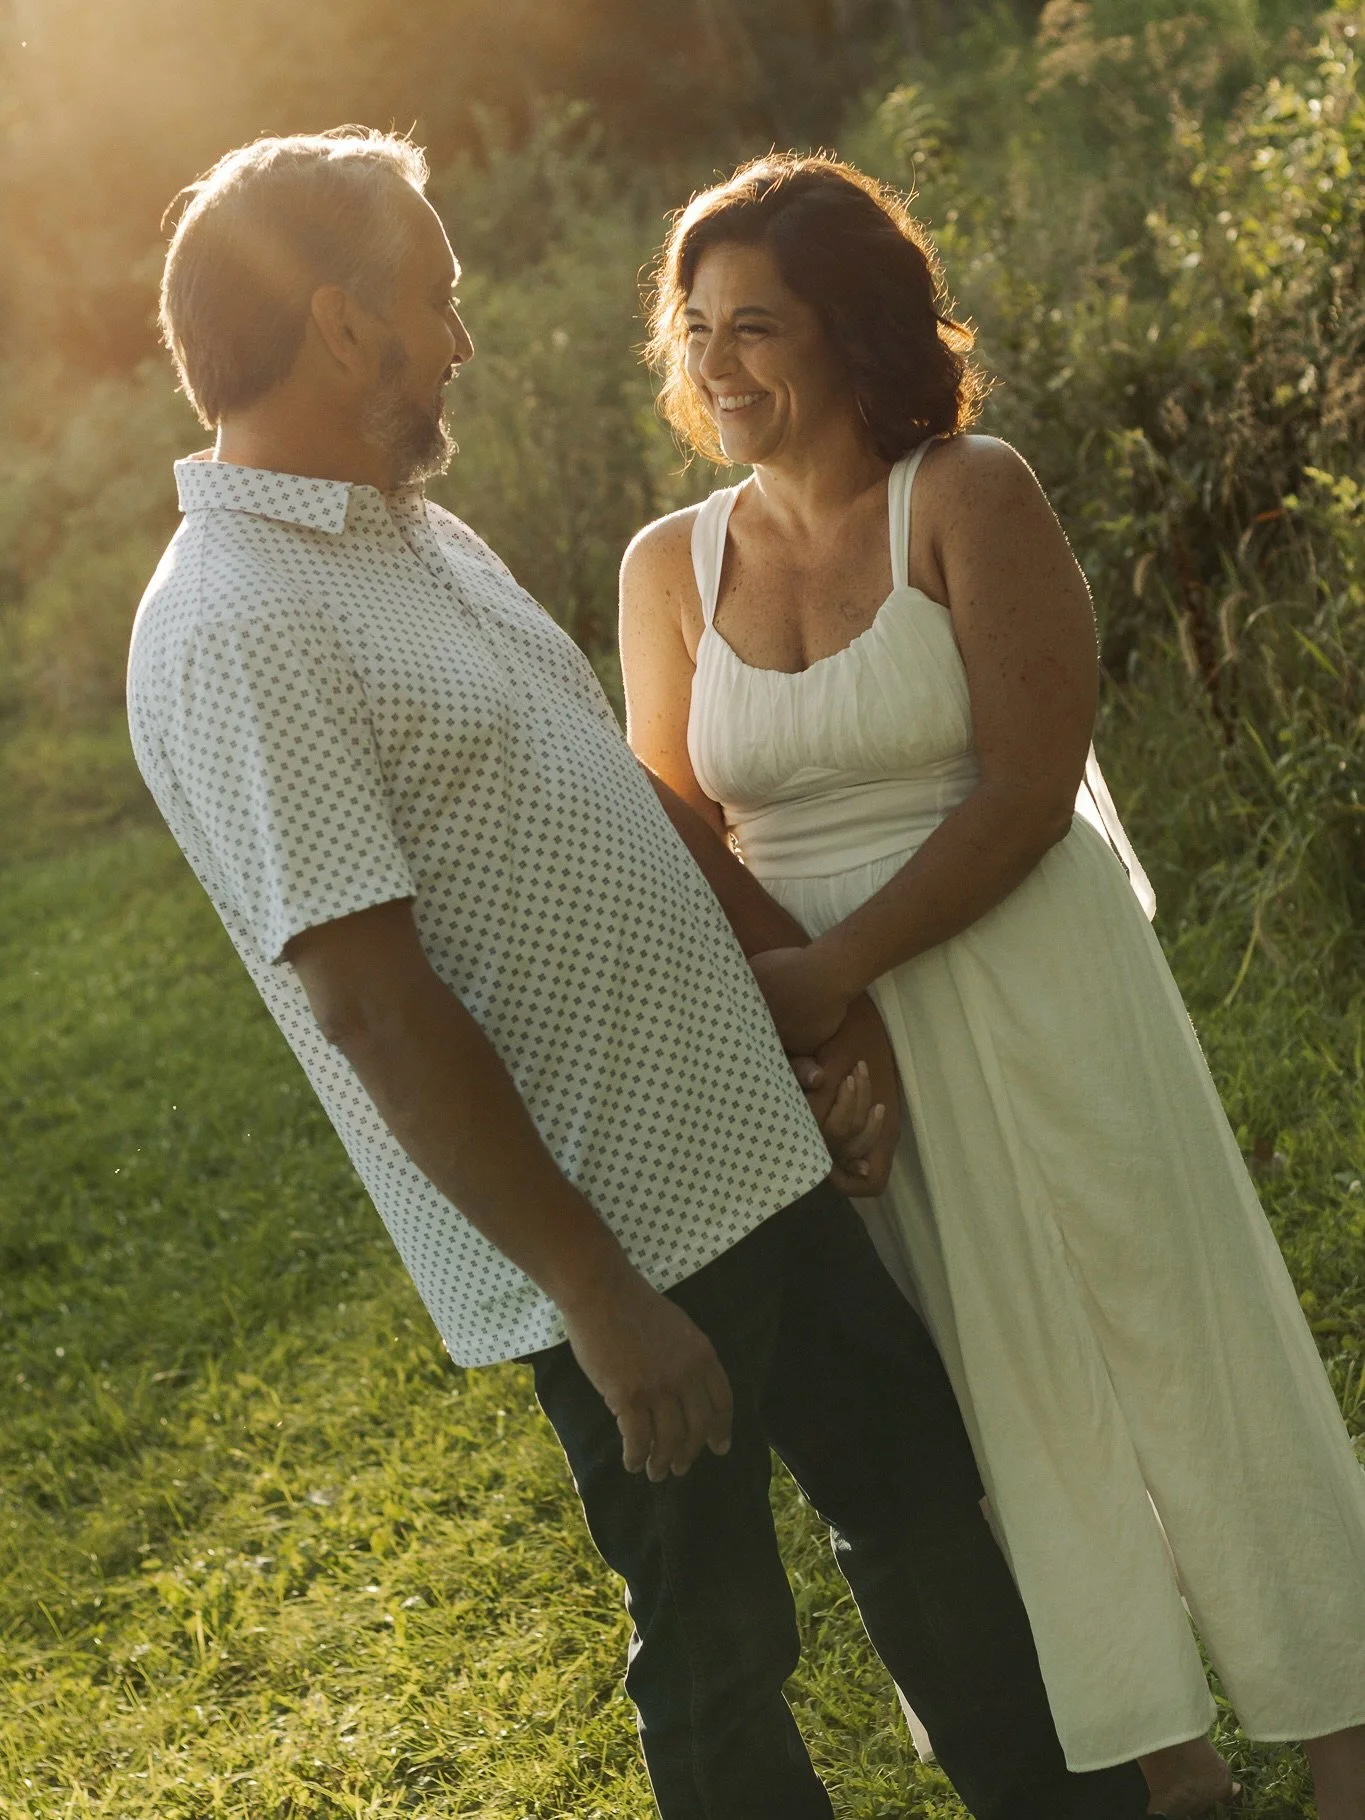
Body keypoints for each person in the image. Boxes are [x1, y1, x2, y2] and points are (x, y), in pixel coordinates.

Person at [125, 130, 1154, 1820]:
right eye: (434, 302)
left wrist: (805, 994)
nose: (461, 338)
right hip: (607, 1239)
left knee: (921, 1511)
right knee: (720, 1655)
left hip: (745, 1144)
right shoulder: (237, 620)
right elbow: (371, 1003)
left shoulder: (416, 538)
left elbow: (628, 805)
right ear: (340, 329)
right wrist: (600, 1299)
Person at [619, 148, 1365, 1820]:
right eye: (698, 327)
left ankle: (1344, 1743)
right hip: (840, 1043)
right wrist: (797, 1013)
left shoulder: (967, 493)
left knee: (1178, 1336)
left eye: (759, 326)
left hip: (1024, 972)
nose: (719, 365)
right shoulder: (668, 568)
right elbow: (674, 812)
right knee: (983, 1399)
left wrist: (841, 967)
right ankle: (1166, 1771)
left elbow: (1031, 782)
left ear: (855, 333)